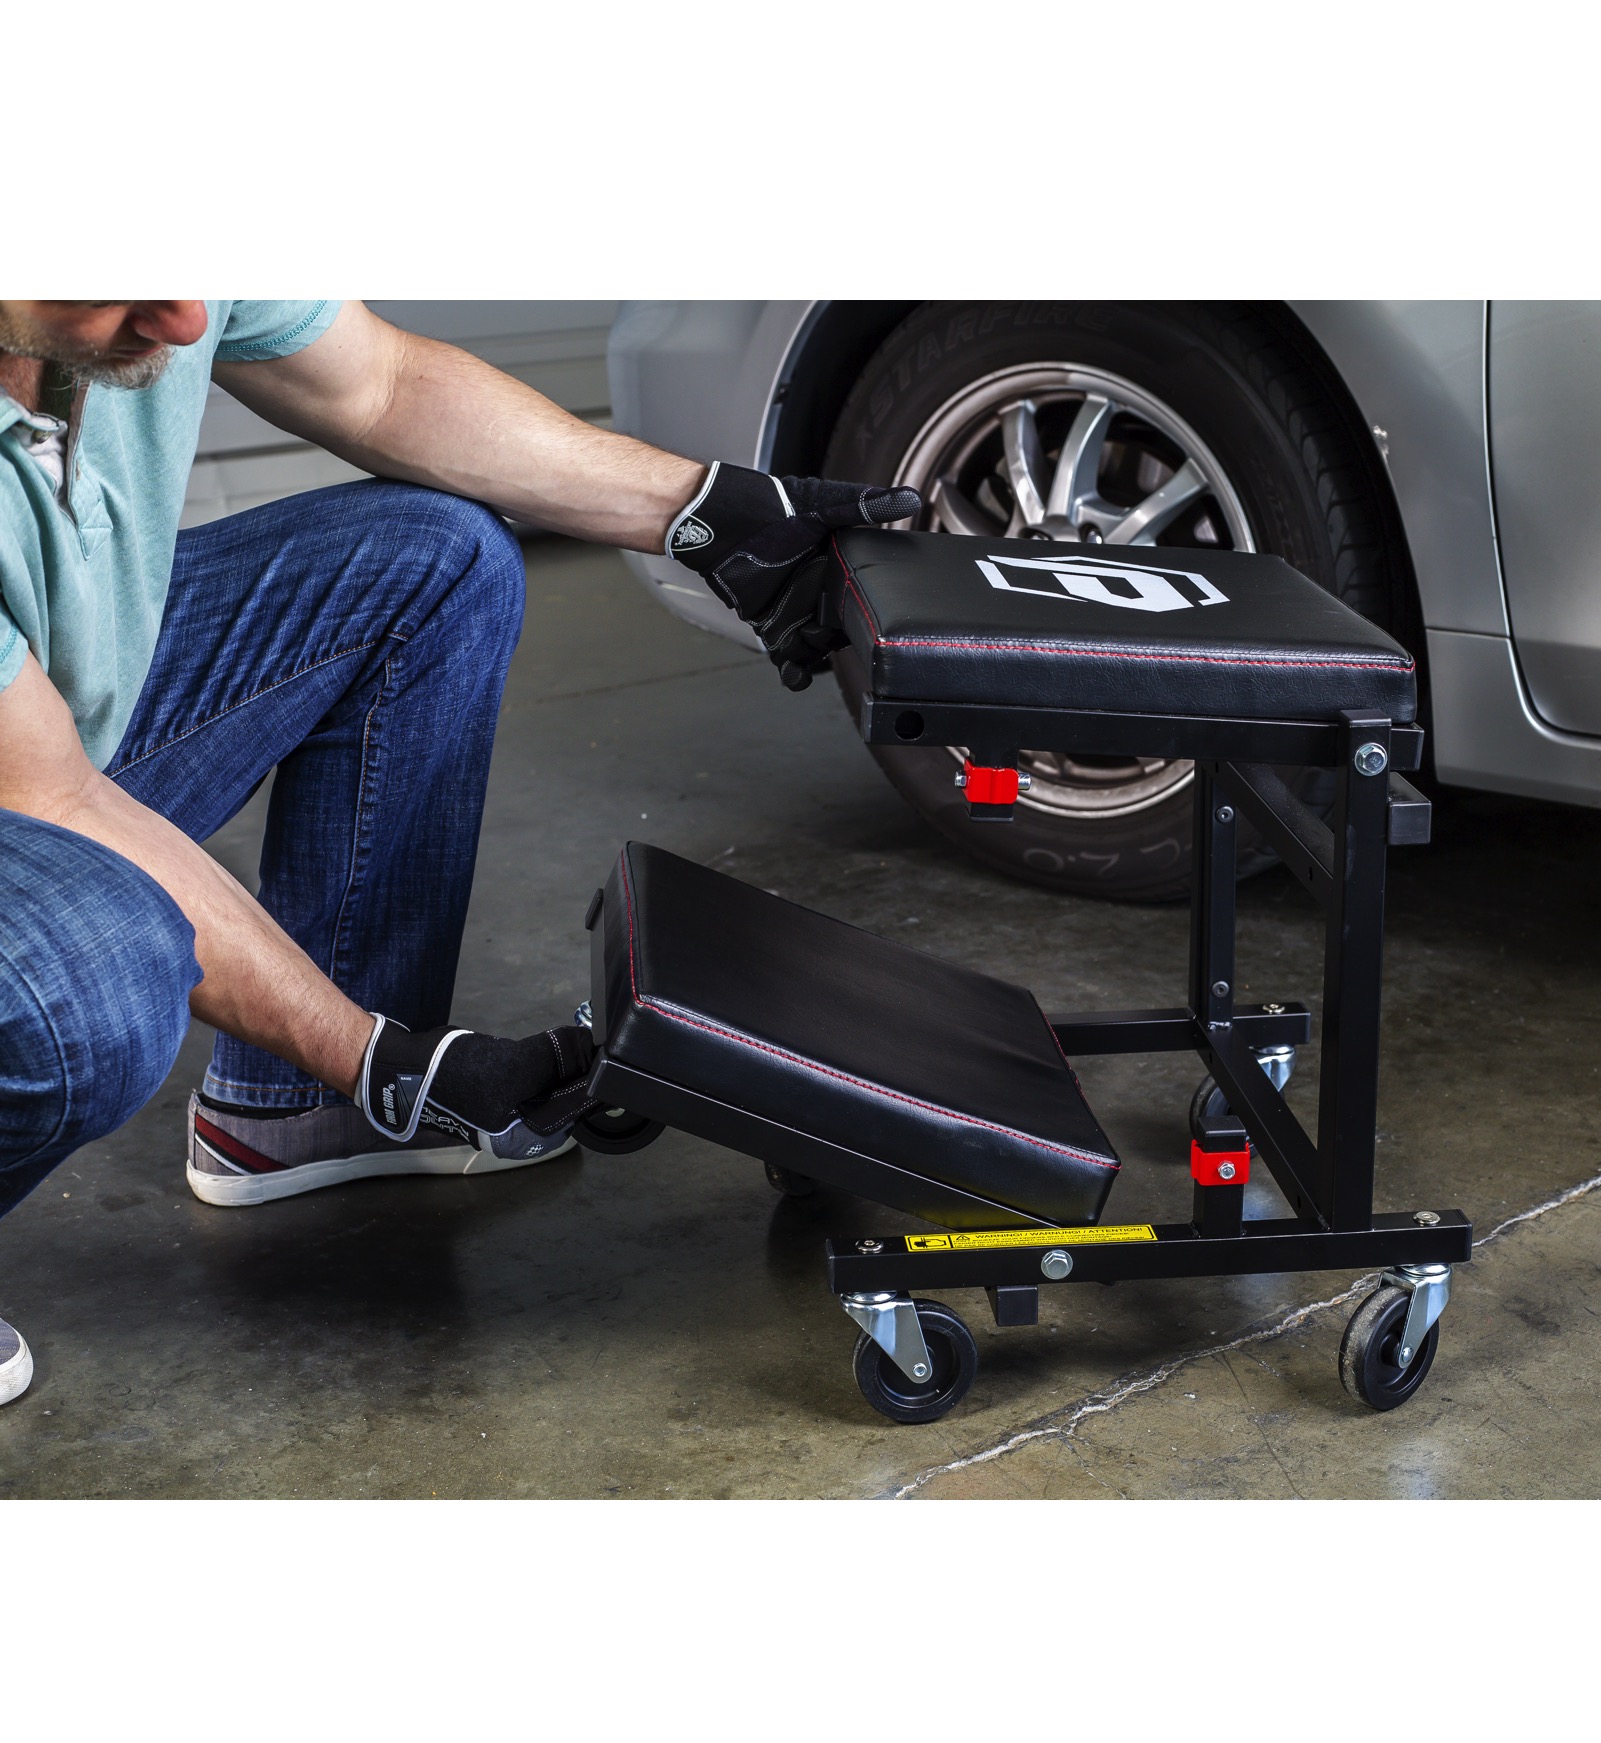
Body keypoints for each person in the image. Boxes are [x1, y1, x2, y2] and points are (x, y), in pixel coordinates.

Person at [0, 299, 918, 1406]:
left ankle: (306, 1115)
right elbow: (53, 798)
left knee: (433, 560)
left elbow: (380, 385)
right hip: (27, 774)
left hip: (36, 707)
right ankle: (356, 1082)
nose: (187, 318)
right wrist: (379, 1057)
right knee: (93, 979)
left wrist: (705, 511)